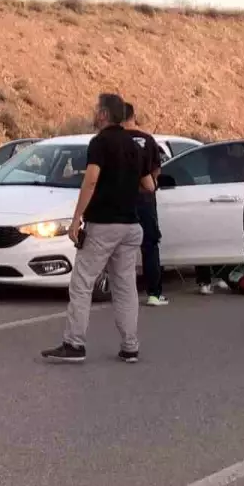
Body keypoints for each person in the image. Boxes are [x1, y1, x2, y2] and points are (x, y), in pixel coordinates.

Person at [42, 93, 155, 364]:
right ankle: (130, 346)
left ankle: (74, 343)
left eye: (97, 110)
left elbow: (91, 181)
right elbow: (149, 186)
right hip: (131, 226)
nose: (94, 114)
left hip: (103, 225)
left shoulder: (100, 143)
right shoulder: (135, 147)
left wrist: (76, 218)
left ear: (104, 114)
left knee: (81, 283)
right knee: (125, 287)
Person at [122, 103, 166, 307]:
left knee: (120, 249)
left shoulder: (109, 141)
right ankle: (154, 294)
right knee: (150, 245)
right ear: (133, 116)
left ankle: (123, 294)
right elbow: (156, 172)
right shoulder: (148, 140)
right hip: (144, 200)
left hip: (118, 201)